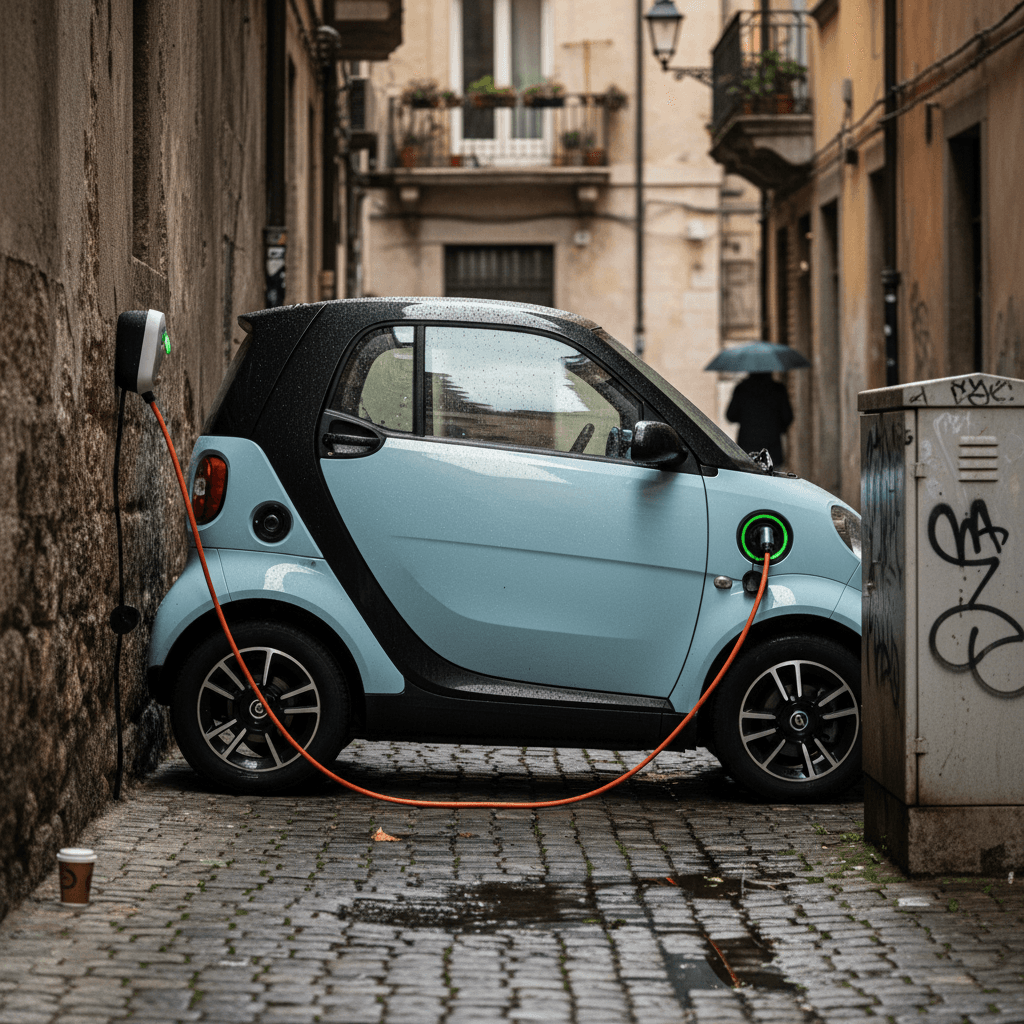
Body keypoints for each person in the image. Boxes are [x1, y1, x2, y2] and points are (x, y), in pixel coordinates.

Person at [726, 372, 793, 468]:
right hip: (772, 451)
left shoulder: (742, 389)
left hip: (746, 450)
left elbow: (730, 416)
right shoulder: (778, 389)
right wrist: (779, 428)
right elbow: (787, 417)